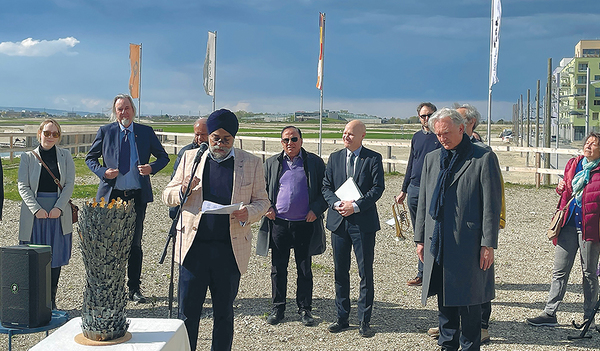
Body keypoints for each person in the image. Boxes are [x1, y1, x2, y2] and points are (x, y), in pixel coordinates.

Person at [162, 109, 269, 351]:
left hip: (228, 251)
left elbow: (263, 201)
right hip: (193, 250)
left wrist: (249, 213)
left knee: (224, 313)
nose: (220, 144)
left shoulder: (251, 163)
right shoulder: (191, 158)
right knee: (187, 313)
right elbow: (166, 194)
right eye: (215, 138)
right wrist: (182, 192)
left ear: (234, 139)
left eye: (226, 140)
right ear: (207, 136)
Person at [415, 108, 502, 351]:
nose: (442, 138)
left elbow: (491, 206)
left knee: (470, 301)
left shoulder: (482, 157)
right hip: (438, 241)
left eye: (446, 133)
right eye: (438, 134)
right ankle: (447, 344)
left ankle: (470, 346)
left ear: (462, 129)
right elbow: (423, 201)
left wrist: (488, 244)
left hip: (469, 242)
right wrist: (420, 239)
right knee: (444, 299)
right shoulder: (433, 159)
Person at [86, 94, 169, 303]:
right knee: (109, 244)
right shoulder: (106, 132)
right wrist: (103, 172)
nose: (124, 112)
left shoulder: (145, 132)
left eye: (127, 108)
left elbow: (164, 157)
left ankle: (134, 288)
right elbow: (90, 158)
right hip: (111, 198)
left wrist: (151, 168)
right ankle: (111, 288)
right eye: (119, 109)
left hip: (135, 198)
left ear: (133, 110)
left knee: (135, 244)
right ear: (115, 112)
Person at [526, 132, 600, 329]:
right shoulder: (574, 164)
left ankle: (589, 318)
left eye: (594, 144)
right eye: (587, 143)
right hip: (567, 224)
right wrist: (561, 187)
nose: (589, 146)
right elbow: (567, 190)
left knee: (589, 273)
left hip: (590, 228)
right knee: (560, 271)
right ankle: (550, 313)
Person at [257, 126, 327, 326]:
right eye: (286, 140)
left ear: (301, 141)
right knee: (278, 268)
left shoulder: (314, 163)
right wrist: (267, 206)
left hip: (305, 223)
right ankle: (278, 307)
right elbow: (260, 189)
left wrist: (317, 209)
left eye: (294, 139)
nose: (290, 143)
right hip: (279, 223)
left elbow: (326, 190)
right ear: (281, 143)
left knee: (304, 268)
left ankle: (305, 309)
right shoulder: (271, 163)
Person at [322, 119, 385, 338]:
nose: (346, 136)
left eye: (350, 133)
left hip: (363, 224)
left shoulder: (373, 158)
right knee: (340, 271)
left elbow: (378, 188)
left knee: (364, 272)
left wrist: (356, 206)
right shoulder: (335, 158)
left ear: (362, 136)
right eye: (344, 132)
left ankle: (364, 320)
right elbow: (326, 187)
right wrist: (336, 204)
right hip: (339, 223)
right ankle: (342, 317)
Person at [18, 118, 75, 310]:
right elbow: (23, 186)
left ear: (59, 137)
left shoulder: (66, 156)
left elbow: (69, 185)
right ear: (39, 133)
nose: (50, 137)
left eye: (55, 134)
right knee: (34, 258)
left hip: (57, 214)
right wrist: (36, 209)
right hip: (35, 215)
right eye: (47, 133)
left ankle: (51, 300)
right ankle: (35, 302)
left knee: (55, 258)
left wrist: (58, 208)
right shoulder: (27, 157)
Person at [396, 102, 440, 287]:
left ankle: (436, 273)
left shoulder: (441, 137)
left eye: (430, 115)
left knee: (434, 230)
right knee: (418, 232)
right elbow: (411, 163)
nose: (427, 119)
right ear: (419, 118)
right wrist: (404, 189)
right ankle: (421, 273)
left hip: (433, 188)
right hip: (414, 188)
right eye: (423, 116)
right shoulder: (416, 137)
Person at [169, 118, 208, 220]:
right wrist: (174, 210)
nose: (199, 138)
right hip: (188, 205)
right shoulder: (185, 152)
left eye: (203, 134)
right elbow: (174, 181)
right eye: (197, 134)